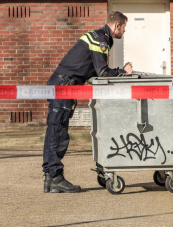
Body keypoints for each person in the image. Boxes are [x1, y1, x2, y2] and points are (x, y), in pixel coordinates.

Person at [42, 11, 134, 193]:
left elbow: (91, 70)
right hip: (63, 86)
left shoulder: (97, 36)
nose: (124, 31)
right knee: (57, 133)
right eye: (124, 27)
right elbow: (102, 72)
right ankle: (54, 177)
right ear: (116, 26)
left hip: (64, 85)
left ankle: (51, 178)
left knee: (56, 131)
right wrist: (123, 72)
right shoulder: (100, 39)